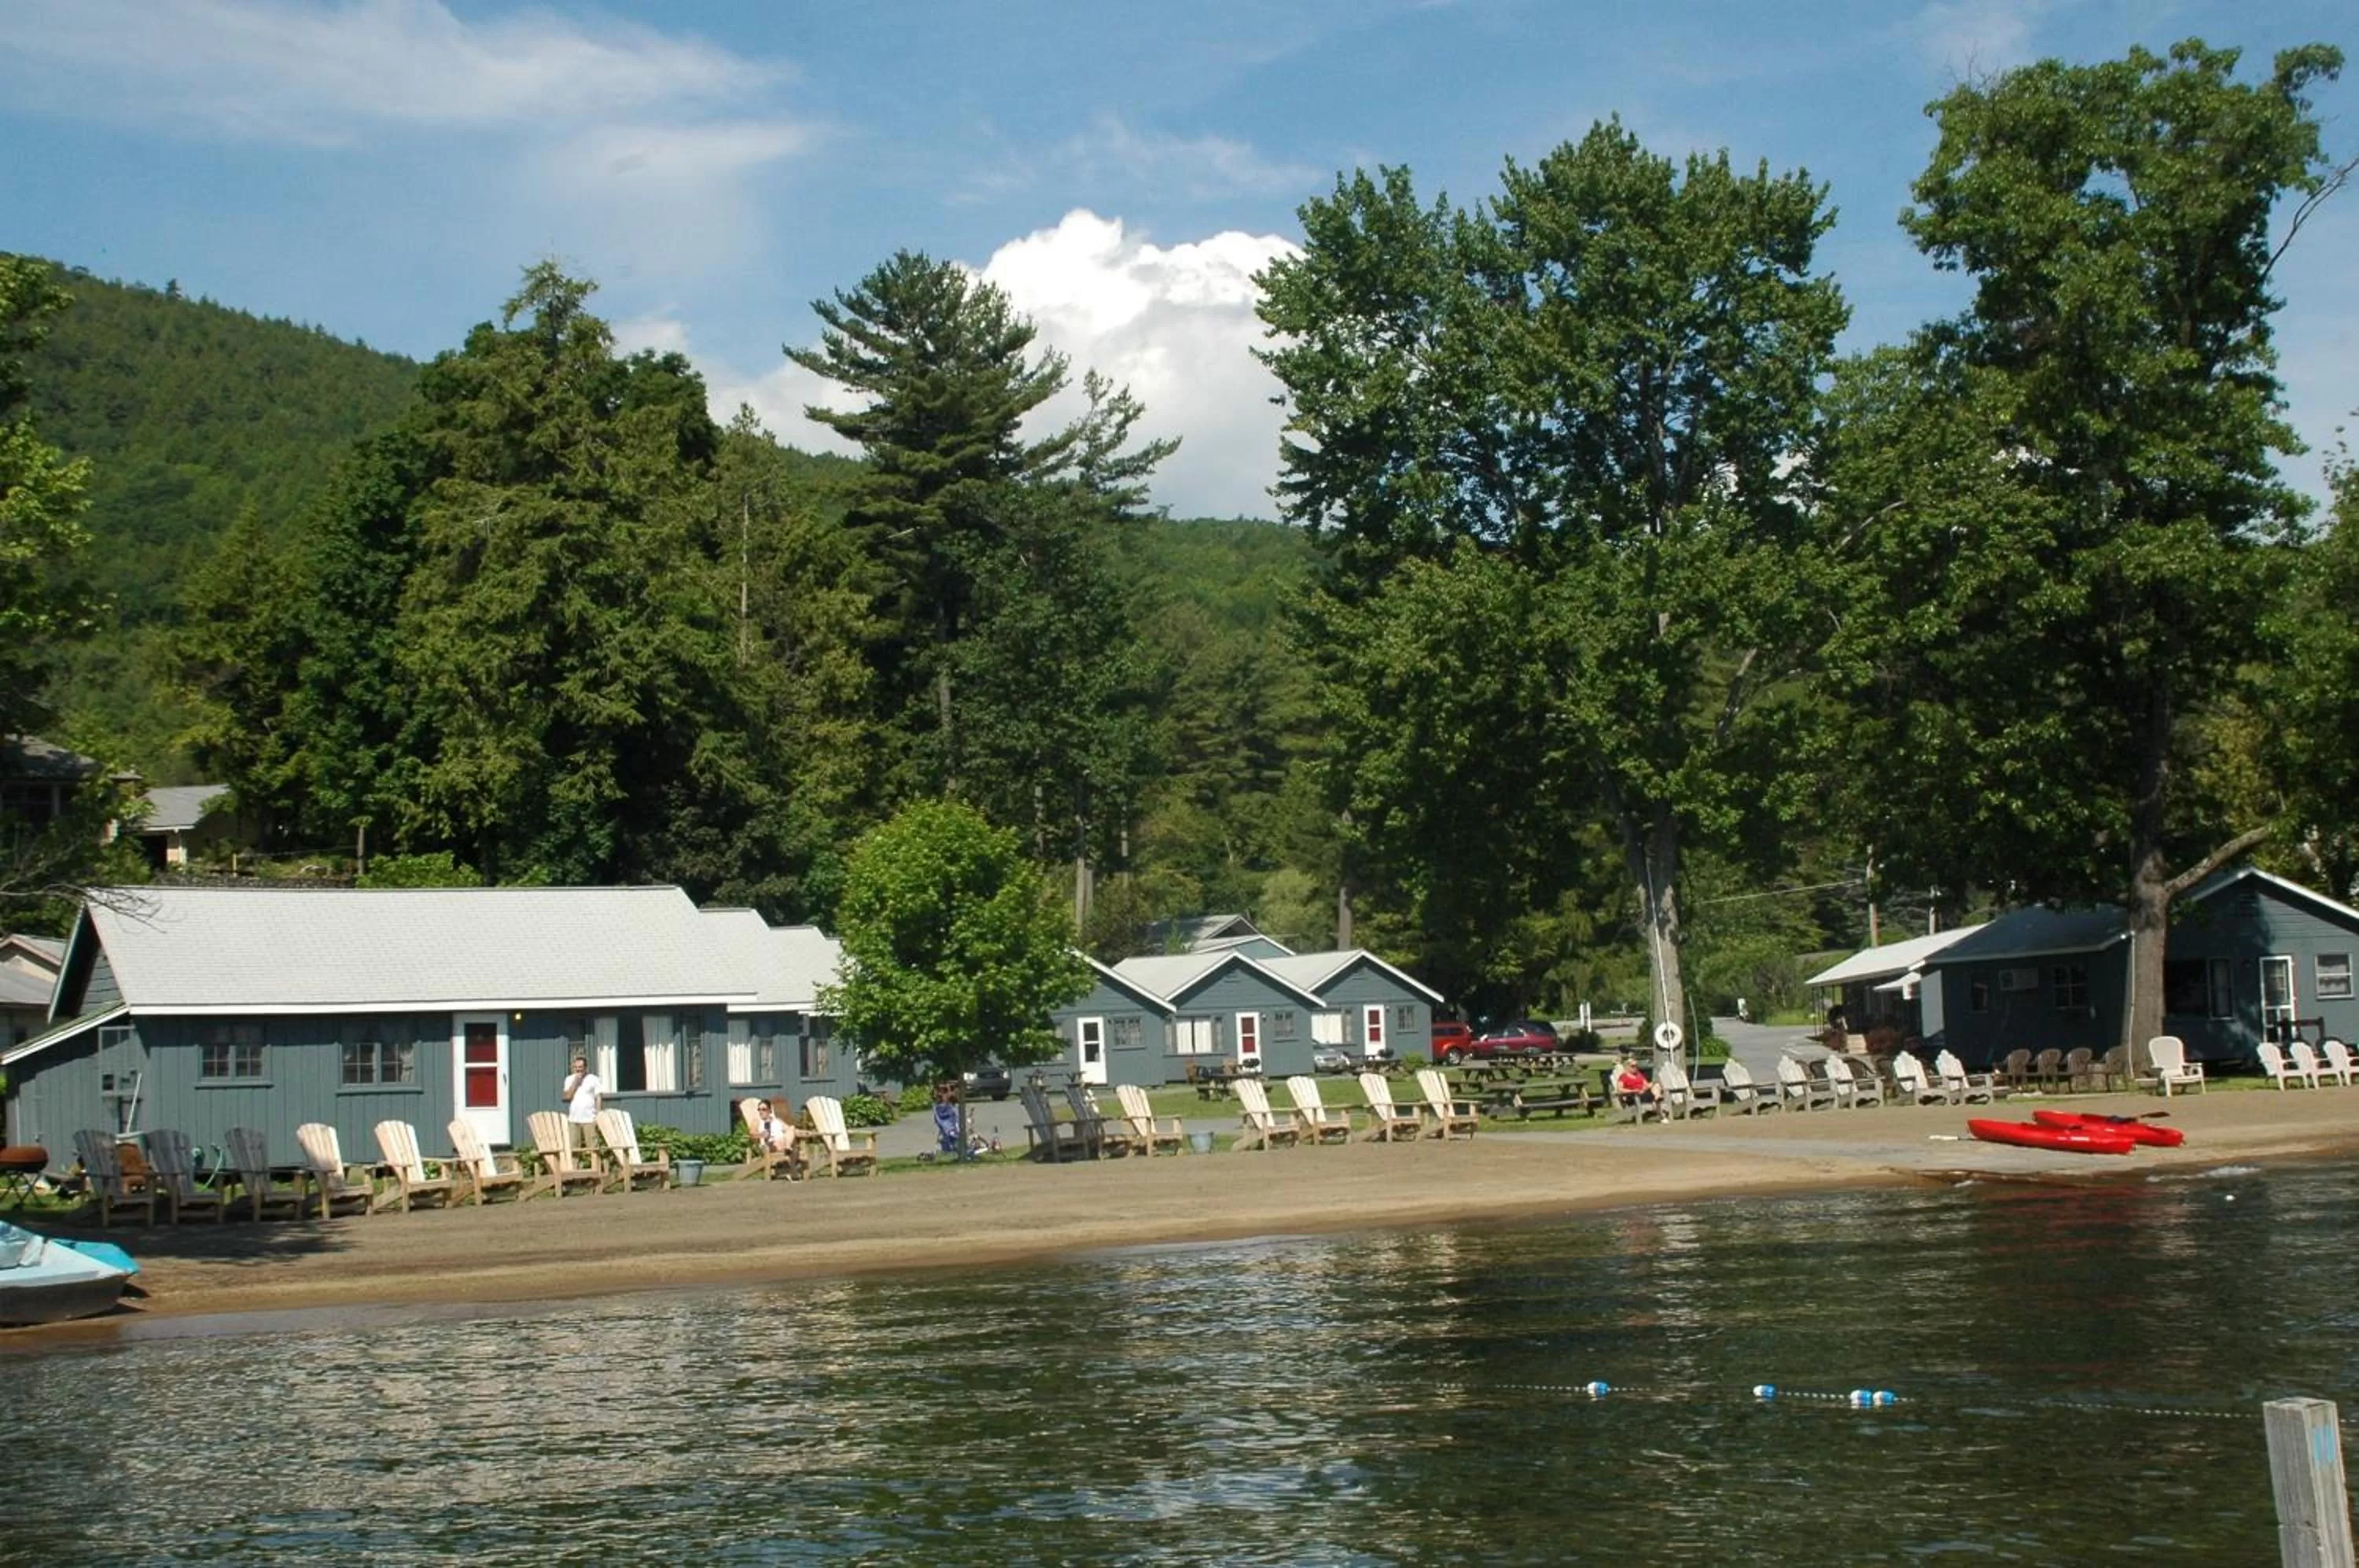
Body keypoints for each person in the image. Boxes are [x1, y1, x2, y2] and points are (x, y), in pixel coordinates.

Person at [561, 1055, 603, 1149]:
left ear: (586, 1067)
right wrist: (575, 1083)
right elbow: (567, 1097)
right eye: (576, 1067)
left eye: (580, 1067)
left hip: (590, 1119)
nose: (578, 1070)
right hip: (574, 1119)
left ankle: (595, 1164)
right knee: (574, 1149)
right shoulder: (569, 1079)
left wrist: (598, 1115)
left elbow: (598, 1097)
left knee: (593, 1148)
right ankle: (574, 1164)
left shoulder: (593, 1079)